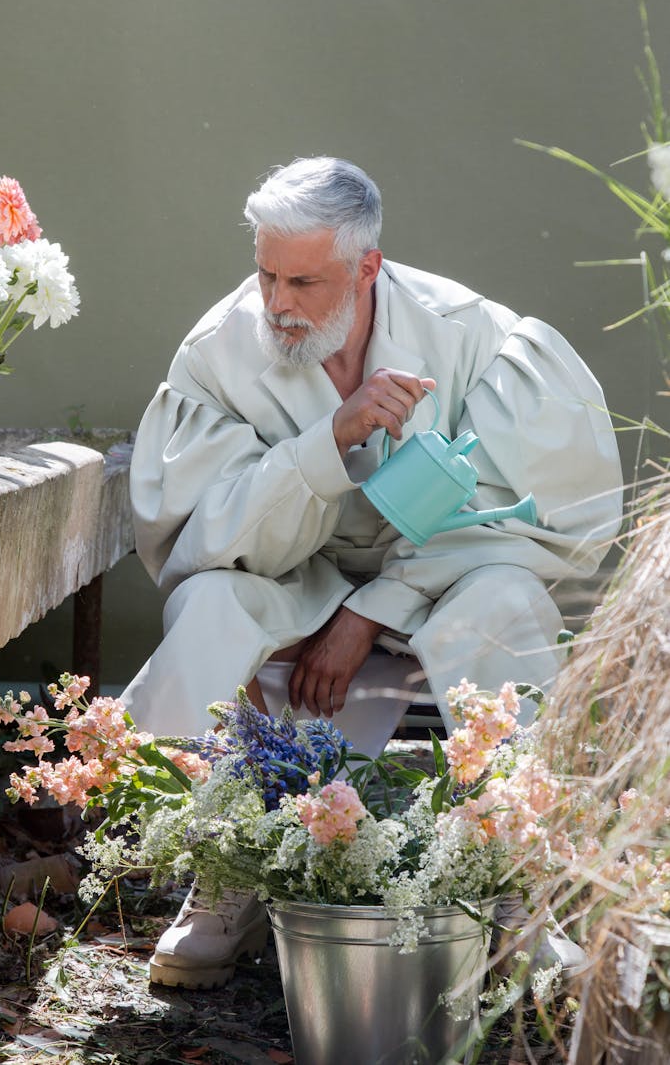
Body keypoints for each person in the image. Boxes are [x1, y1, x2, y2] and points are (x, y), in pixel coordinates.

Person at [121, 157, 623, 988]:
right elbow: (207, 532)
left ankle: (522, 891)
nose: (277, 303)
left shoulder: (472, 336)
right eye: (266, 274)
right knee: (209, 602)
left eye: (304, 281)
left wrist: (372, 614)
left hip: (440, 581)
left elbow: (528, 516)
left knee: (505, 598)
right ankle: (227, 867)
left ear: (367, 268)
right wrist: (328, 446)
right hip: (292, 578)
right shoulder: (218, 355)